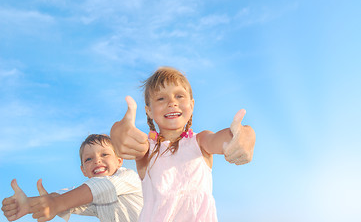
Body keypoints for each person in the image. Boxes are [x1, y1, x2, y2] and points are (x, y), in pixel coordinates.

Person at [110, 67, 256, 221]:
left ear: (191, 105)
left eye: (179, 96)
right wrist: (118, 132)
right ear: (149, 111)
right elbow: (126, 139)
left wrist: (246, 135)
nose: (172, 102)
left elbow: (225, 138)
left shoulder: (200, 141)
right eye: (161, 98)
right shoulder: (147, 149)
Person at [1, 134, 143, 222]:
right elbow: (64, 198)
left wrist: (55, 204)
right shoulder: (92, 198)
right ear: (83, 171)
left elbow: (102, 186)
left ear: (119, 161)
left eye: (104, 154)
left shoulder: (127, 177)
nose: (97, 161)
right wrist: (28, 204)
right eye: (88, 159)